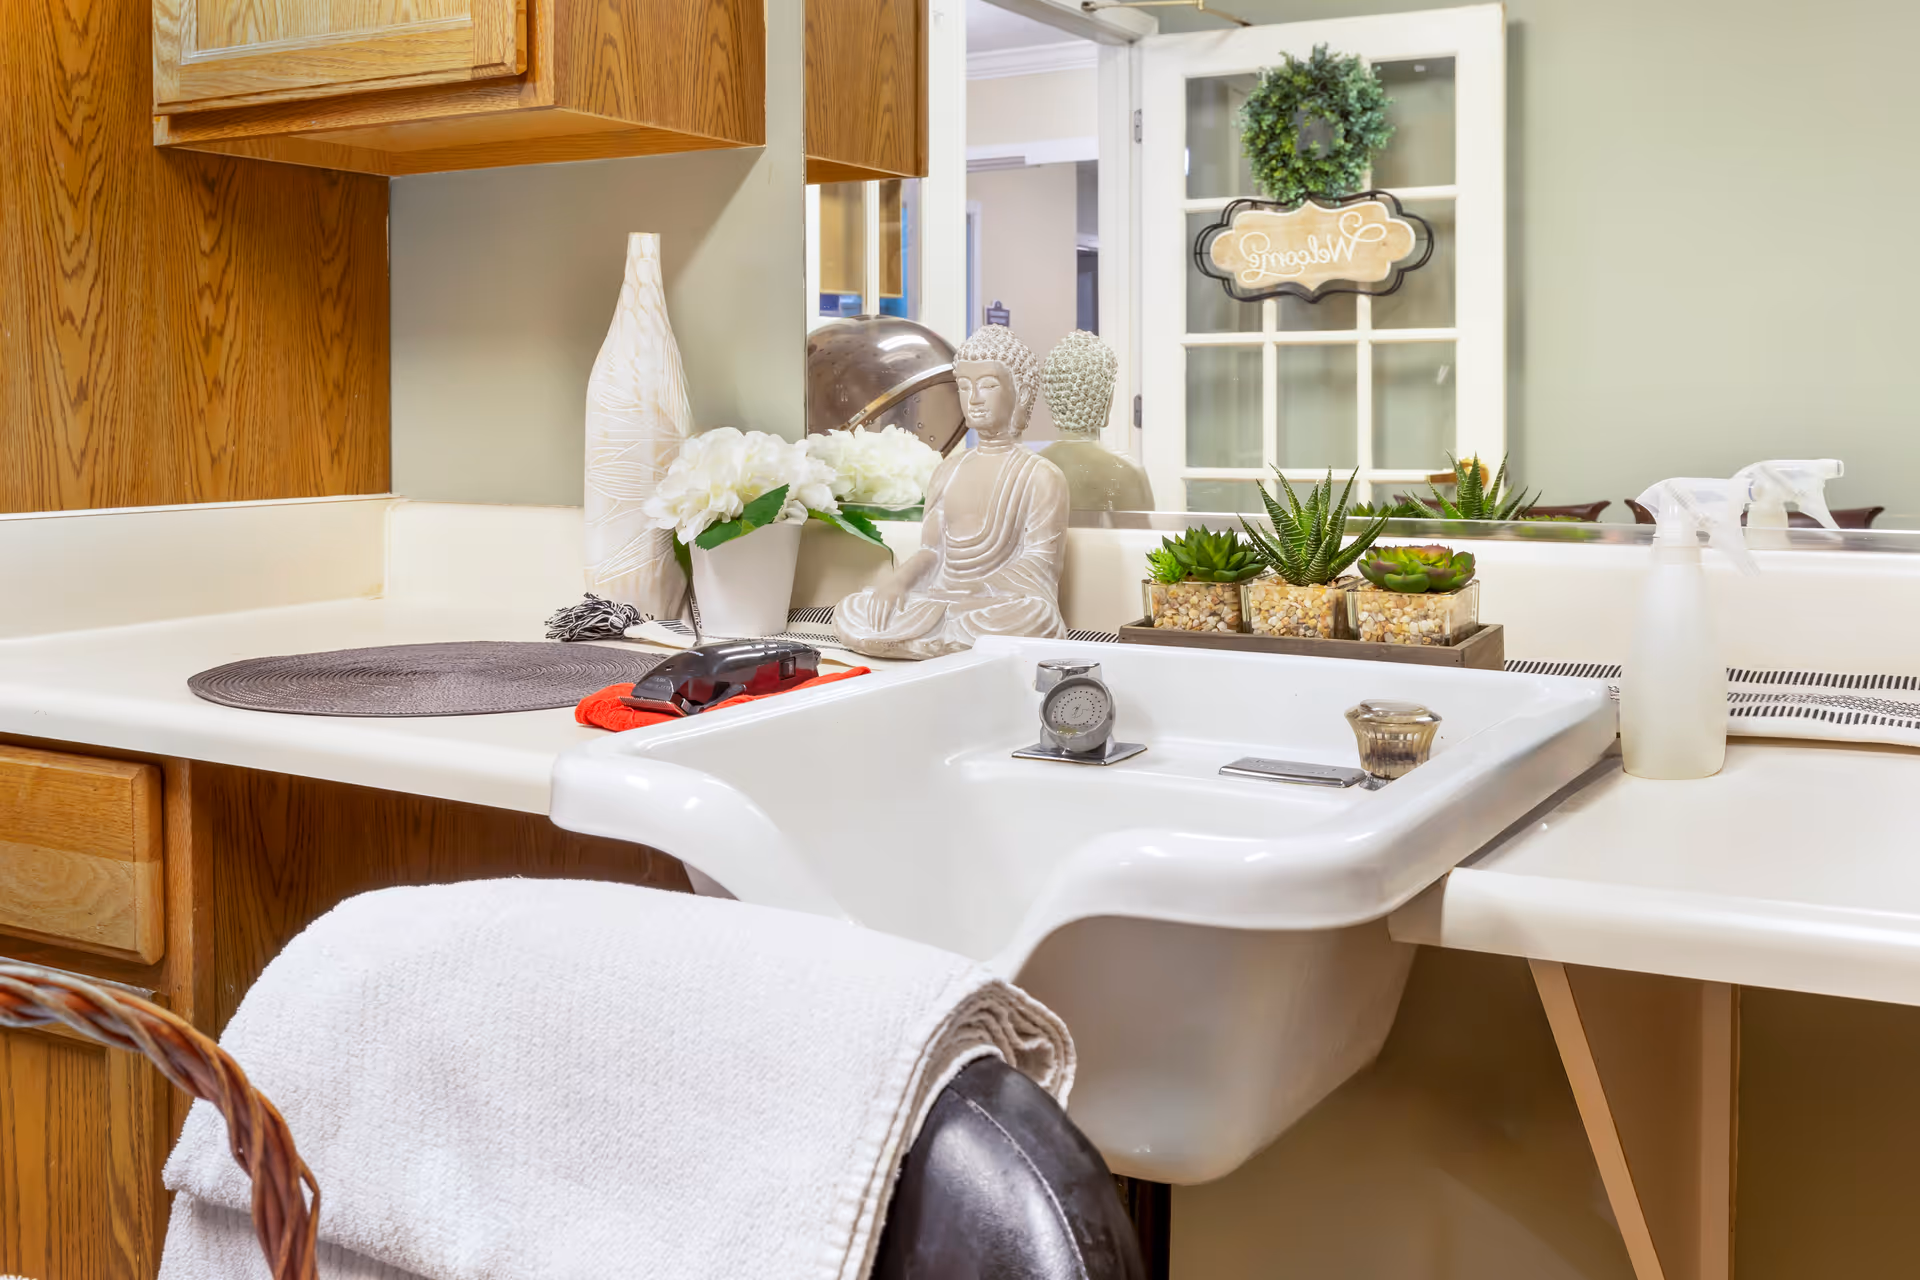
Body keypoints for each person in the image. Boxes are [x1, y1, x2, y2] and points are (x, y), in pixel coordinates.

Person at [835, 326, 1070, 660]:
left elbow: (1039, 564)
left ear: (1020, 392)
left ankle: (929, 638)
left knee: (1037, 617)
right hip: (940, 600)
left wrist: (976, 590)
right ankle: (934, 636)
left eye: (988, 385)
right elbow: (931, 551)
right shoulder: (948, 469)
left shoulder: (1041, 476)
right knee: (853, 609)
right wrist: (897, 583)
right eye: (964, 386)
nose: (973, 398)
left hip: (989, 606)